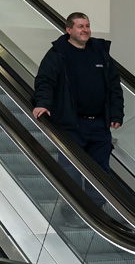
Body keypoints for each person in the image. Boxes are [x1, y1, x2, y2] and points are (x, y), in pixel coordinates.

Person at [33, 12, 124, 175]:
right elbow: (45, 81)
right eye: (80, 26)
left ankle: (96, 202)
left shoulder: (100, 53)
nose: (85, 30)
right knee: (70, 172)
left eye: (87, 26)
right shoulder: (58, 53)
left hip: (99, 125)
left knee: (101, 173)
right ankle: (70, 202)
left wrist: (116, 114)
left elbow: (114, 86)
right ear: (69, 30)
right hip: (71, 125)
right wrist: (42, 104)